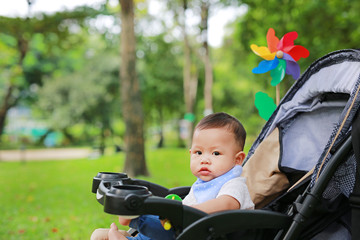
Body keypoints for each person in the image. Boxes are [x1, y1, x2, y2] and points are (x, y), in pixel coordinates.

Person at [91, 112, 254, 240]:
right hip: (182, 232)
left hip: (206, 234)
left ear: (237, 159)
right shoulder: (204, 184)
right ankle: (131, 232)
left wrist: (183, 213)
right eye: (198, 152)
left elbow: (226, 204)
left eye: (216, 153)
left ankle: (134, 218)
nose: (204, 159)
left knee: (163, 221)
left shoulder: (234, 184)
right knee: (160, 219)